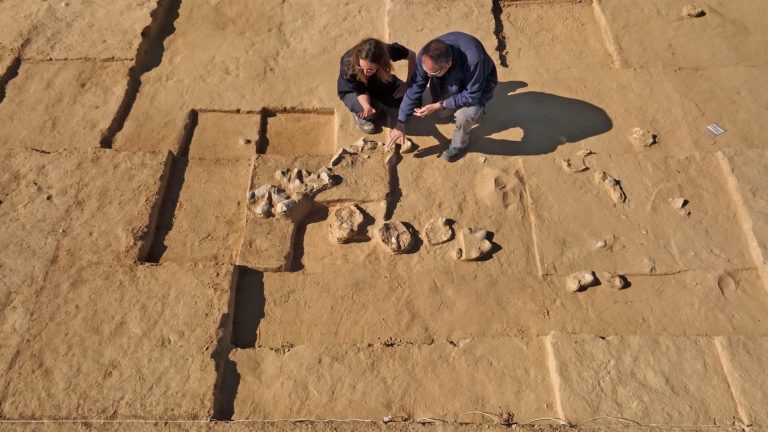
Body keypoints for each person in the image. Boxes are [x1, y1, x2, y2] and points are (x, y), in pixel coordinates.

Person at [387, 32, 498, 161]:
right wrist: (401, 123)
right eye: (426, 71)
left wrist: (438, 105)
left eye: (432, 73)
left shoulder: (473, 60)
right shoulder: (427, 55)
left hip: (478, 87)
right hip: (449, 79)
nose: (427, 76)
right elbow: (414, 88)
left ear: (448, 64)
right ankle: (449, 97)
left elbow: (471, 95)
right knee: (441, 114)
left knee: (464, 116)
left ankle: (458, 145)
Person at [337, 38, 416, 133]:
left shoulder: (387, 51)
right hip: (352, 90)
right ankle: (358, 113)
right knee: (372, 112)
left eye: (369, 69)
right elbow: (360, 91)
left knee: (411, 99)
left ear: (381, 63)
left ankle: (376, 99)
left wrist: (408, 82)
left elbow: (412, 55)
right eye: (361, 67)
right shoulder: (348, 64)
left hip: (376, 81)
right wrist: (367, 107)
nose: (365, 72)